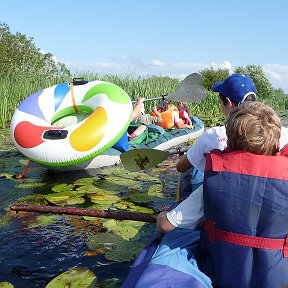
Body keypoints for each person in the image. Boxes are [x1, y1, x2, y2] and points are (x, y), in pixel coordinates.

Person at [157, 101, 288, 288]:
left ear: (230, 141)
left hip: (222, 277)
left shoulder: (215, 181)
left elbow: (166, 225)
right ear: (276, 144)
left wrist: (162, 216)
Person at [176, 73, 288, 199]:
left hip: (226, 197)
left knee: (195, 170)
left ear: (228, 102)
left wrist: (187, 155)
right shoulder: (283, 133)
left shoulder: (214, 134)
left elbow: (180, 167)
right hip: (269, 195)